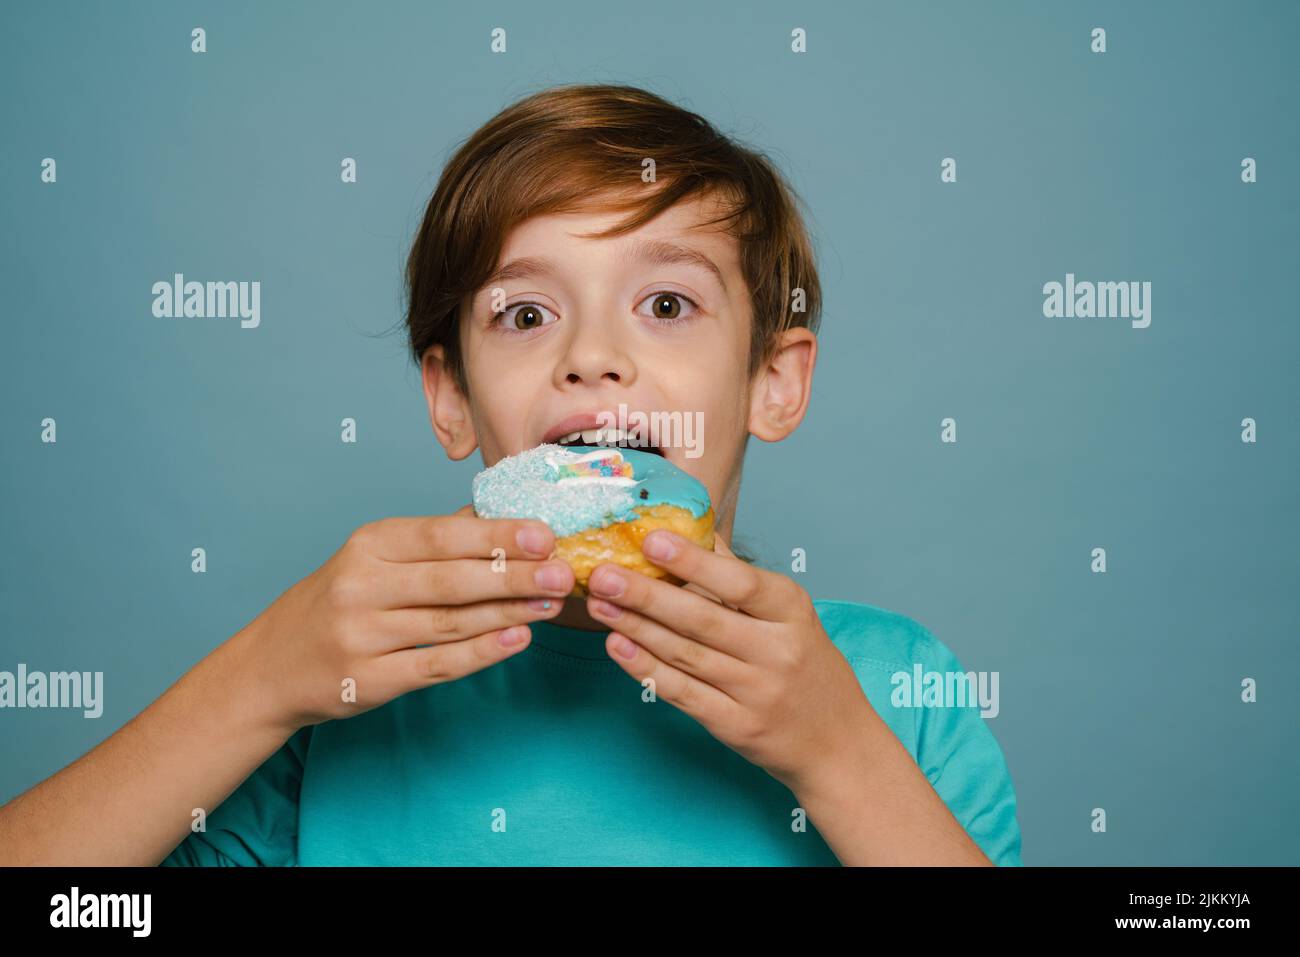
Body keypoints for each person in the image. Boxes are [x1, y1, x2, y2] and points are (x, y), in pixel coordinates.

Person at [0, 83, 1021, 866]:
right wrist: (260, 681)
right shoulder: (344, 709)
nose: (590, 355)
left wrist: (837, 756)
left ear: (774, 382)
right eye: (525, 315)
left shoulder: (892, 690)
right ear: (452, 400)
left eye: (666, 305)